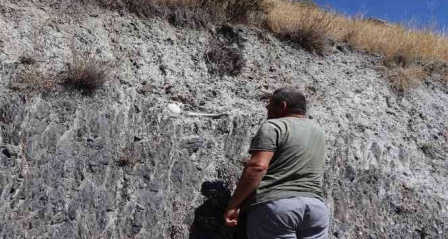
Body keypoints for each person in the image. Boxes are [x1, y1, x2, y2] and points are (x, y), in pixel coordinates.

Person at [223, 88, 329, 239]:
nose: (267, 108)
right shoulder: (318, 131)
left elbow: (257, 167)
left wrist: (234, 204)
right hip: (316, 208)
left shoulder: (274, 126)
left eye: (271, 103)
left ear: (282, 106)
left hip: (277, 206)